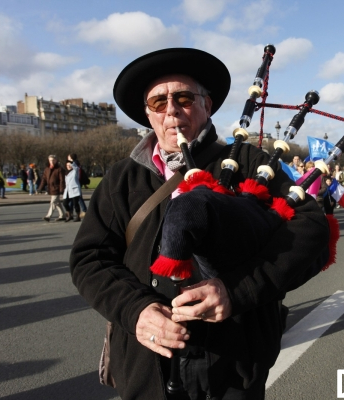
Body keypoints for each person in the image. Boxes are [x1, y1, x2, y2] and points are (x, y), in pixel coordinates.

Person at [69, 48, 328, 400]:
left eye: (184, 97)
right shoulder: (121, 178)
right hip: (147, 367)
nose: (172, 109)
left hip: (233, 364)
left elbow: (312, 230)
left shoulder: (252, 162)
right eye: (159, 102)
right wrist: (136, 310)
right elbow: (90, 258)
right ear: (149, 115)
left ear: (207, 106)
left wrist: (235, 291)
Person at [37, 155, 66, 222]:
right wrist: (40, 188)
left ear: (56, 160)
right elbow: (44, 179)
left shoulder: (59, 169)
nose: (52, 162)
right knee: (57, 203)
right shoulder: (47, 169)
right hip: (51, 188)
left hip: (57, 188)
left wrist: (61, 189)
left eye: (53, 160)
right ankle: (62, 215)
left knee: (53, 202)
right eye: (50, 160)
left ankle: (48, 216)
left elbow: (62, 180)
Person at [62, 158, 82, 222]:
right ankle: (69, 215)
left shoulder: (75, 171)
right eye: (67, 165)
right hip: (68, 190)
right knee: (65, 203)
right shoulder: (66, 173)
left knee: (75, 204)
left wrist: (71, 161)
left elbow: (75, 166)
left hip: (74, 189)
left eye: (69, 165)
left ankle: (78, 216)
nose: (68, 166)